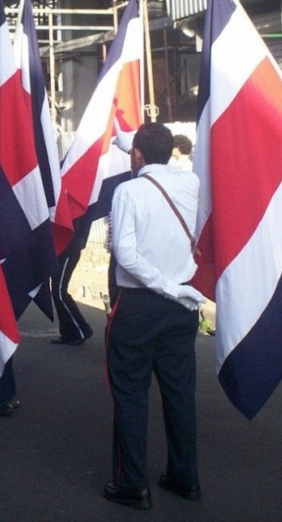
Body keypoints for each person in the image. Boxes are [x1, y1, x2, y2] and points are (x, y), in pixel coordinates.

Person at [103, 122, 205, 510]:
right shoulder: (190, 184)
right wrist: (175, 287)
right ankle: (185, 476)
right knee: (179, 394)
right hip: (180, 305)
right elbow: (149, 153)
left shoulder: (128, 190)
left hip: (141, 302)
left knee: (130, 393)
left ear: (138, 155)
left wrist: (163, 284)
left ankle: (133, 483)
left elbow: (125, 254)